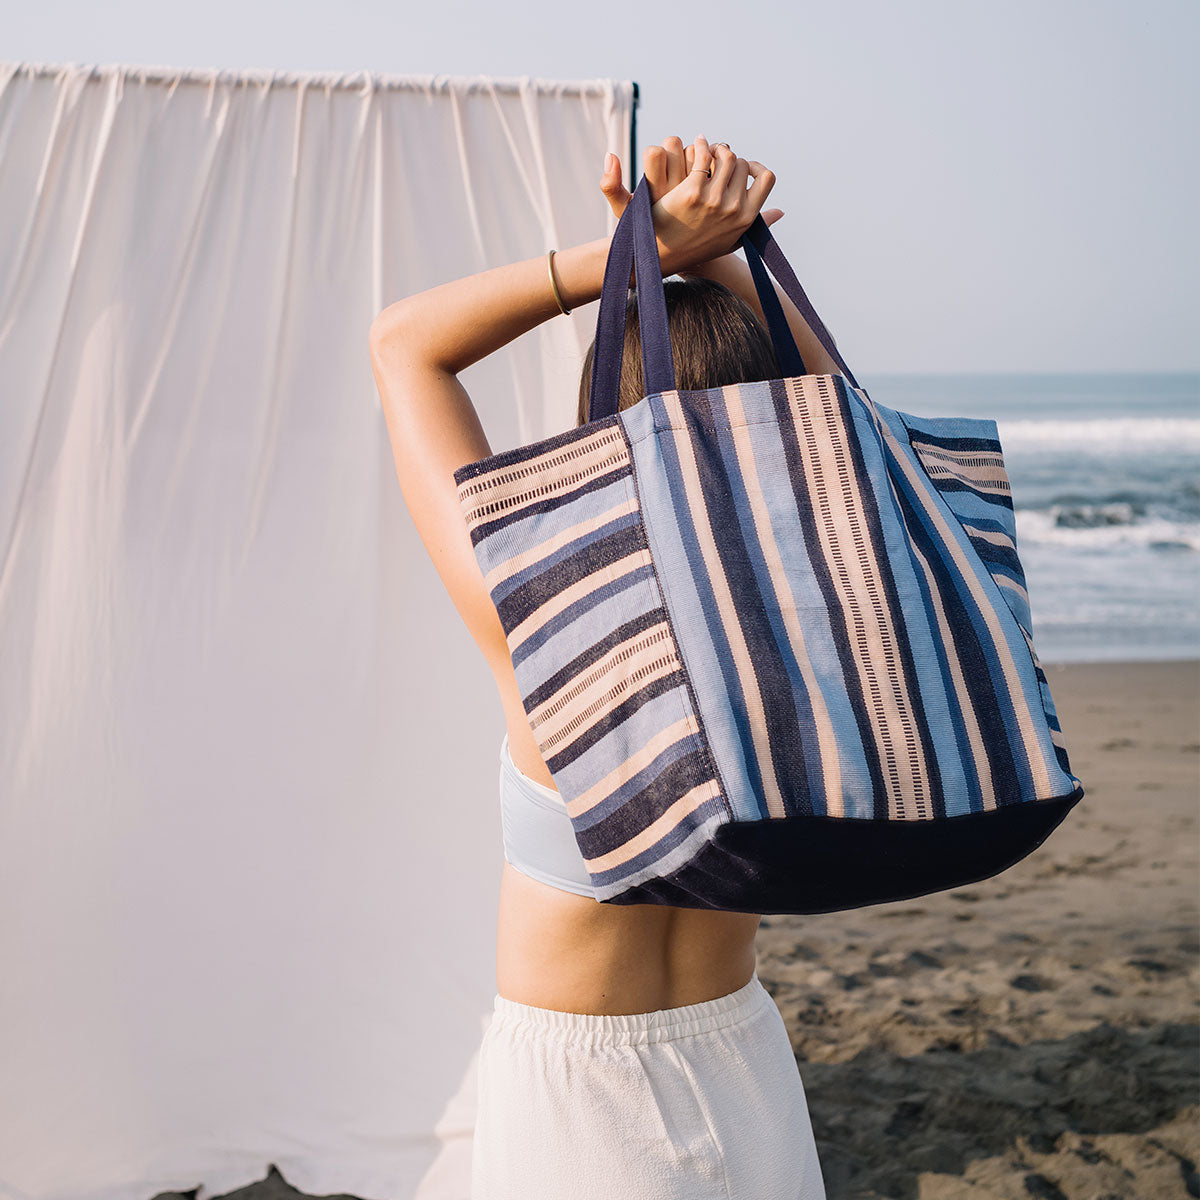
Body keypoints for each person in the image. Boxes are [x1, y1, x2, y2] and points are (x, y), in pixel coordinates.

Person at [369, 135, 833, 1199]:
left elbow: (405, 345)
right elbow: (834, 419)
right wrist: (722, 251)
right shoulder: (809, 628)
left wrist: (629, 251)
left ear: (603, 427)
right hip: (745, 1065)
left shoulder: (538, 623)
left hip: (578, 1114)